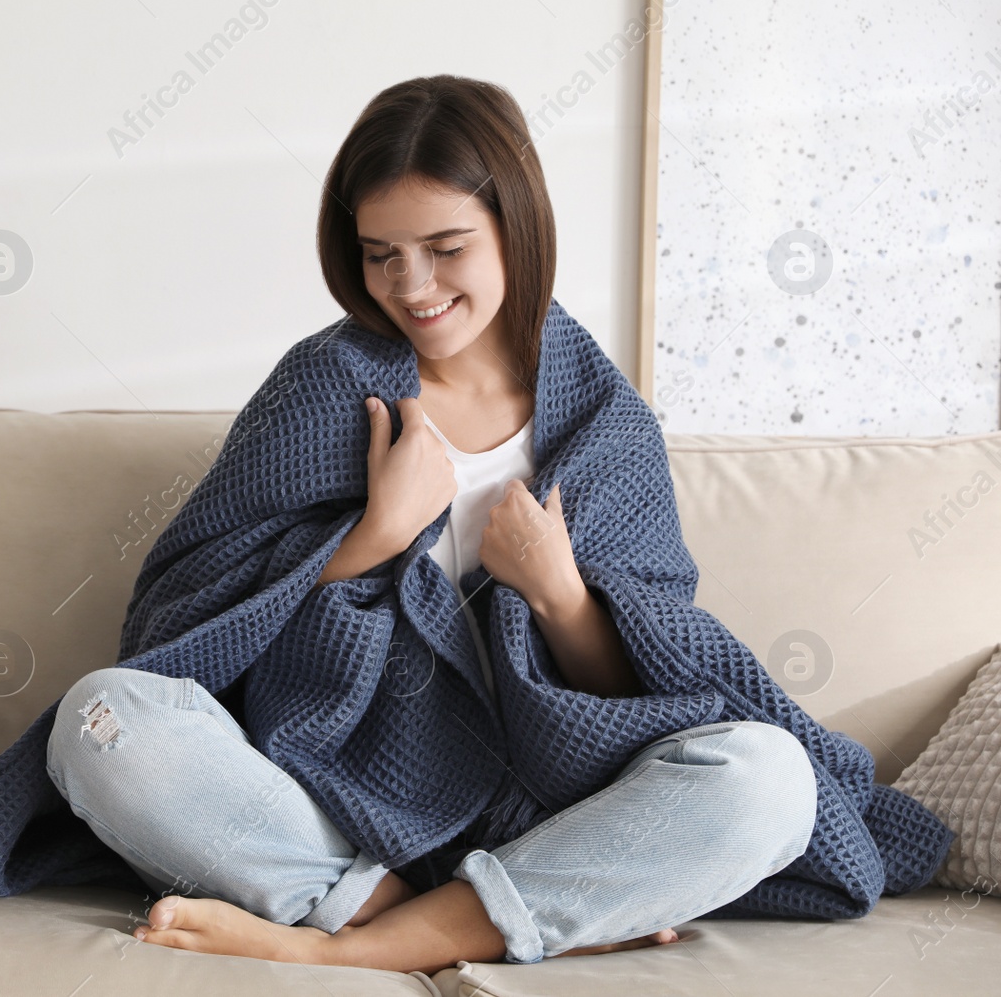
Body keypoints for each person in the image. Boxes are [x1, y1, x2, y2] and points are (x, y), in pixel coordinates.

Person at [42, 75, 818, 975]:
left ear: (515, 231)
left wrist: (558, 592)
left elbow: (641, 686)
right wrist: (376, 533)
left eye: (446, 248)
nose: (413, 287)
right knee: (100, 717)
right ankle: (445, 915)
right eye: (382, 255)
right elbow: (185, 632)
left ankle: (339, 948)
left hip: (550, 810)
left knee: (771, 779)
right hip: (333, 803)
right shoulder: (320, 388)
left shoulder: (605, 423)